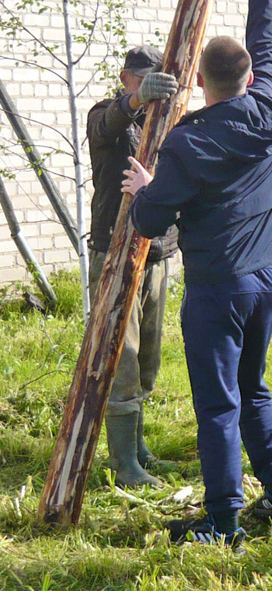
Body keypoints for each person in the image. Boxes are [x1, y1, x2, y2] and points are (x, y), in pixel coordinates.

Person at [121, 0, 272, 547]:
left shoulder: (187, 141)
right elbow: (268, 45)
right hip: (269, 279)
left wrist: (146, 185)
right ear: (249, 81)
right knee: (253, 388)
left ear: (201, 83)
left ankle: (223, 522)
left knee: (220, 404)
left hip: (218, 290)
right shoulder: (263, 111)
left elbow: (146, 223)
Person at [87, 45, 179, 488]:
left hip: (158, 252)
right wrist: (138, 100)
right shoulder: (104, 115)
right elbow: (112, 120)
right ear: (126, 78)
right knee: (120, 360)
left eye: (154, 80)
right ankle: (124, 465)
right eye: (141, 80)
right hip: (115, 253)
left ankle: (139, 450)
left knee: (146, 361)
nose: (148, 87)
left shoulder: (165, 124)